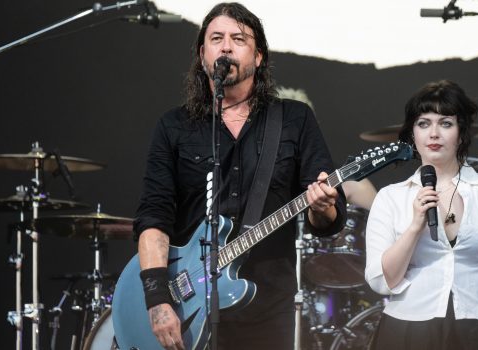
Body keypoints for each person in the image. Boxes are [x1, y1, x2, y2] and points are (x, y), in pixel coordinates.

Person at [133, 3, 347, 350]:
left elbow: (330, 221)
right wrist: (158, 299)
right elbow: (153, 217)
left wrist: (322, 207)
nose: (226, 46)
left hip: (268, 308)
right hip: (188, 311)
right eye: (216, 38)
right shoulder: (173, 127)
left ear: (259, 56)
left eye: (239, 38)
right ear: (202, 54)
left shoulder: (294, 119)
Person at [364, 80, 478, 349]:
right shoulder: (391, 197)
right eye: (423, 123)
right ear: (412, 134)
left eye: (446, 123)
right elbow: (382, 281)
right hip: (407, 330)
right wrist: (415, 227)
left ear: (461, 133)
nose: (434, 133)